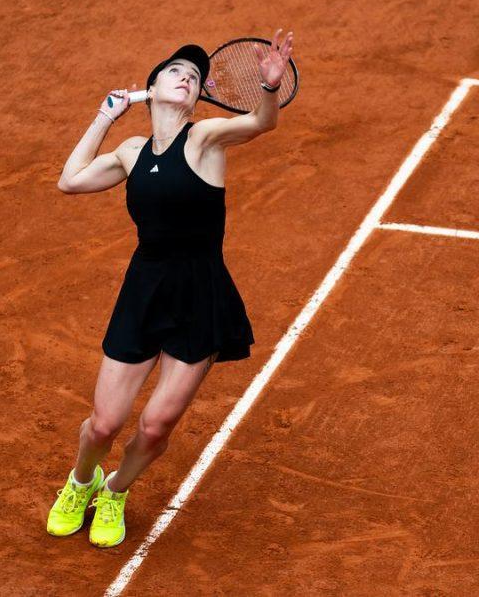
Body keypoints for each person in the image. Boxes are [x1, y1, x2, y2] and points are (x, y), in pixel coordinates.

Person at [47, 29, 295, 548]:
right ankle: (81, 481)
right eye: (174, 72)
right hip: (144, 292)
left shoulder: (205, 139)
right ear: (153, 88)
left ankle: (115, 490)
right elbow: (70, 181)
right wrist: (104, 117)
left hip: (200, 296)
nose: (185, 78)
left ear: (197, 96)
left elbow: (259, 122)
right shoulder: (131, 151)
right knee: (103, 425)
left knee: (156, 426)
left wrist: (270, 87)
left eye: (193, 77)